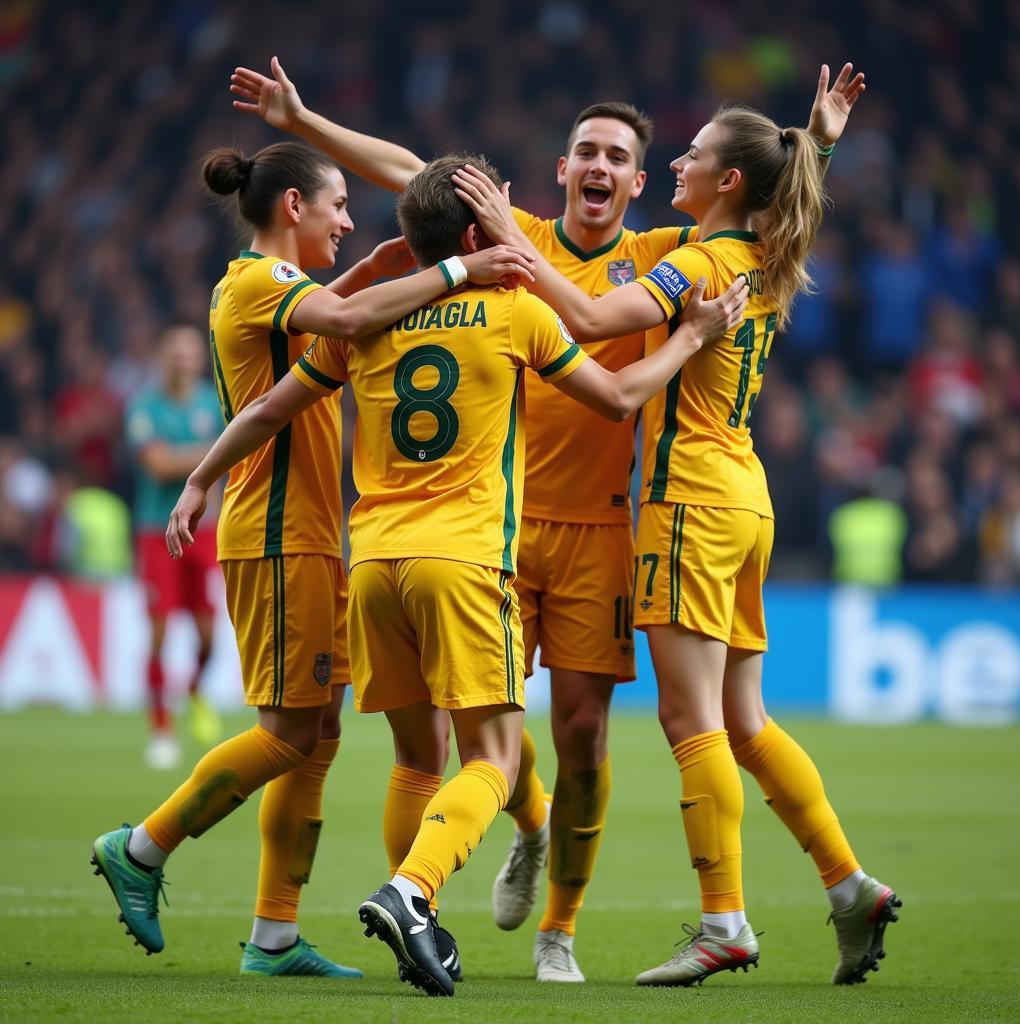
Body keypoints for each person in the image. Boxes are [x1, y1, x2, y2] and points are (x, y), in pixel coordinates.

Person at [228, 56, 827, 982]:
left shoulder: (662, 254)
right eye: (585, 148)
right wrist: (305, 124)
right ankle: (434, 893)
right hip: (489, 534)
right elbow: (409, 173)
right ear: (560, 169)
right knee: (443, 747)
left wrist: (814, 145)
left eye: (619, 156)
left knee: (580, 737)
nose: (600, 164)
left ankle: (559, 933)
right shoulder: (519, 236)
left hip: (589, 534)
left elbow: (763, 222)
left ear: (636, 181)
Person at [455, 64, 901, 989]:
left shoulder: (696, 264)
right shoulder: (765, 254)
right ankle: (848, 885)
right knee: (745, 720)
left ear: (728, 183)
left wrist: (506, 237)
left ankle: (724, 922)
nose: (676, 168)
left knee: (689, 719)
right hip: (746, 499)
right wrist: (816, 143)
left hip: (688, 505)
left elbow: (580, 312)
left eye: (691, 157)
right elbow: (792, 196)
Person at [91, 139, 535, 979]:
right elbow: (341, 323)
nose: (345, 219)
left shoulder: (270, 288)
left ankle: (273, 936)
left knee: (318, 734)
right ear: (292, 207)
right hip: (279, 533)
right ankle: (141, 848)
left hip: (309, 534)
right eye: (335, 205)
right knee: (291, 733)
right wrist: (459, 275)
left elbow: (318, 328)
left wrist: (371, 264)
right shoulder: (262, 280)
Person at [124, 324, 225, 770]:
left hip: (204, 532)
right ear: (162, 357)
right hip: (156, 531)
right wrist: (212, 453)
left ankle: (195, 689)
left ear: (199, 359)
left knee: (208, 639)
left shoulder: (213, 402)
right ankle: (161, 729)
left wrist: (209, 456)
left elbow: (233, 459)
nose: (183, 360)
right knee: (160, 630)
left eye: (190, 352)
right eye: (175, 352)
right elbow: (159, 465)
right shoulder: (144, 407)